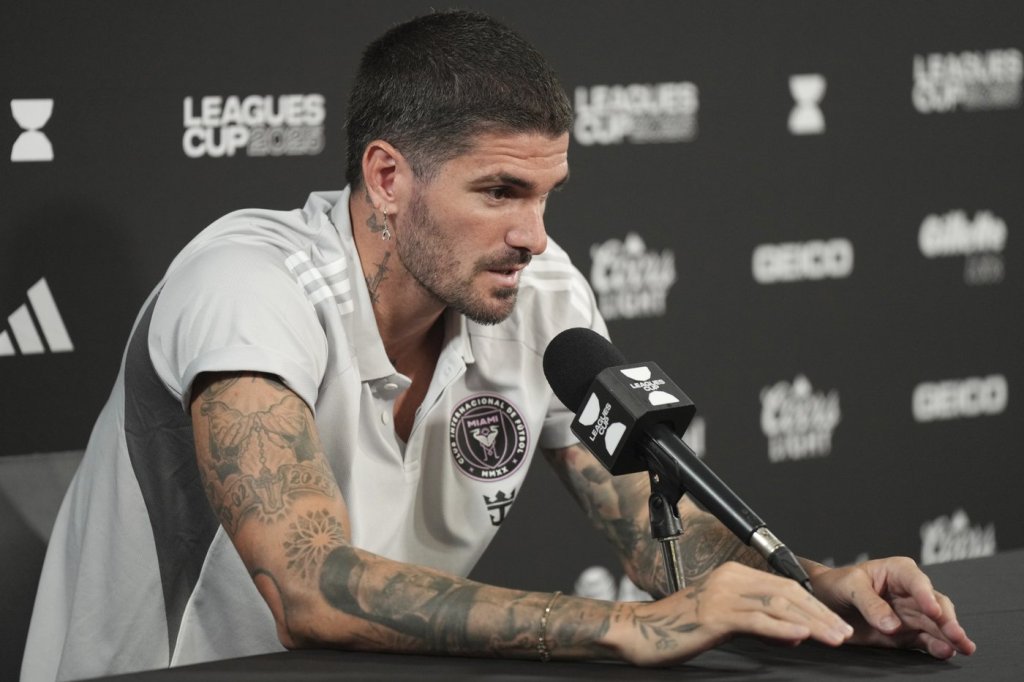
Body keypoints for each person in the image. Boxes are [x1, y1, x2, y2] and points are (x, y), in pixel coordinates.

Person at [21, 10, 975, 681]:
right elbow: (309, 588)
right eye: (499, 192)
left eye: (547, 194)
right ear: (387, 178)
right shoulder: (249, 282)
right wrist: (625, 630)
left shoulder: (541, 294)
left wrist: (817, 588)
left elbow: (655, 541)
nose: (533, 235)